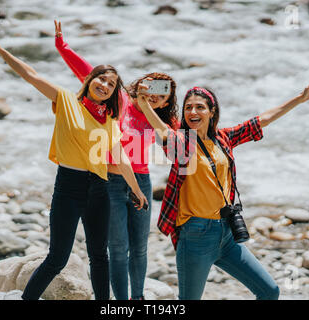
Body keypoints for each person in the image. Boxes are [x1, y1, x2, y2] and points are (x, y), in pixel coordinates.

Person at [0, 25, 148, 300]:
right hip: (68, 188)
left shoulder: (110, 122)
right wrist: (1, 50)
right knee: (57, 258)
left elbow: (122, 160)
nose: (104, 85)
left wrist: (137, 191)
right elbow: (30, 75)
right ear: (90, 79)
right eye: (101, 79)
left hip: (99, 190)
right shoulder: (66, 101)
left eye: (111, 84)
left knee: (99, 257)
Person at [136, 78, 309, 300]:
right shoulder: (182, 142)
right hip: (196, 236)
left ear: (212, 112)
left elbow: (262, 120)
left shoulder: (223, 138)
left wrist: (299, 99)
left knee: (270, 291)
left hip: (226, 232)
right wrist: (145, 105)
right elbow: (163, 132)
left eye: (200, 107)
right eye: (188, 107)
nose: (193, 111)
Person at [53, 20, 179, 300]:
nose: (156, 95)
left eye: (163, 95)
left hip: (141, 182)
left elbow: (179, 148)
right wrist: (62, 46)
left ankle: (138, 298)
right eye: (153, 87)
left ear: (165, 102)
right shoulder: (118, 99)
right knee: (118, 248)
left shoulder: (160, 118)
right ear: (142, 83)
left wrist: (150, 110)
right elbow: (86, 72)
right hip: (108, 181)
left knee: (141, 248)